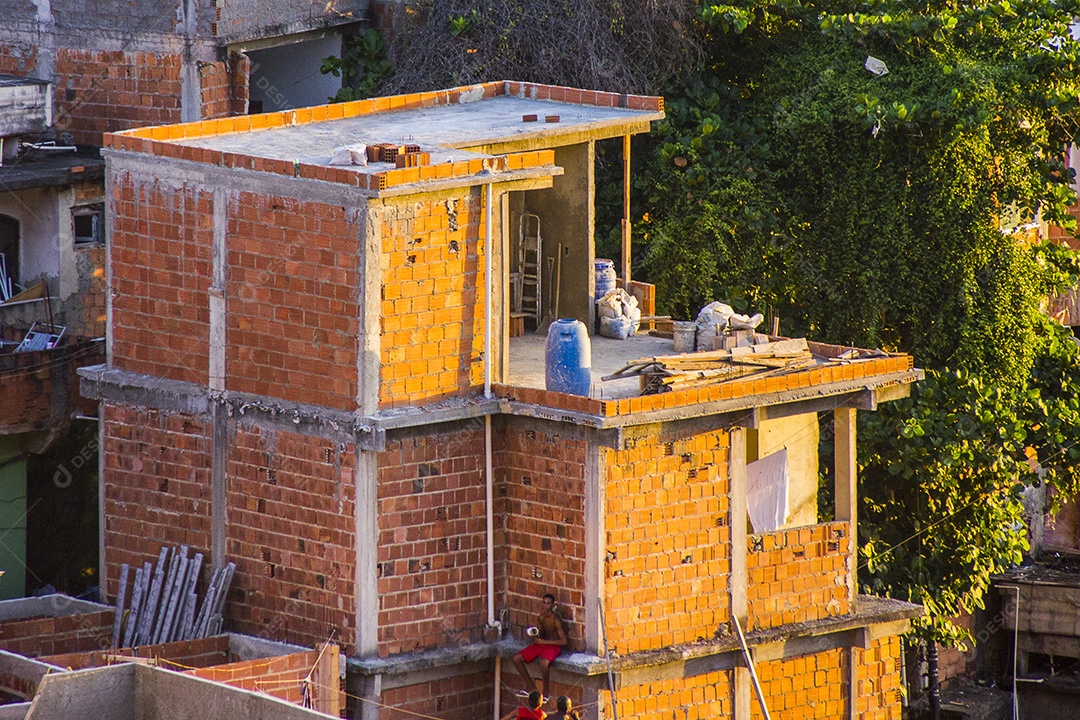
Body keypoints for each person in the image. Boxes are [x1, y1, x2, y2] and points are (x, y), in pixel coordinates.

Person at [513, 592, 568, 700]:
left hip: (553, 646)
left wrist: (545, 642)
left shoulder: (556, 620)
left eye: (548, 603)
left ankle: (546, 691)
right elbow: (540, 635)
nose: (546, 605)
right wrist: (535, 634)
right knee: (516, 658)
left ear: (552, 605)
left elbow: (563, 641)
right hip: (541, 645)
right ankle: (530, 685)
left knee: (544, 663)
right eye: (544, 603)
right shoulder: (541, 618)